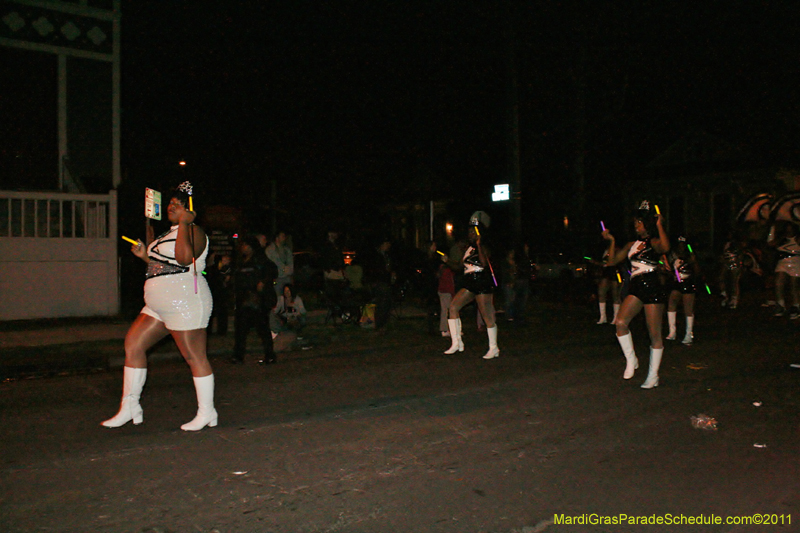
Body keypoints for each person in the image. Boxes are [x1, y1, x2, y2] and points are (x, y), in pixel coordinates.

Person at [102, 182, 217, 431]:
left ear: (191, 210)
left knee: (194, 356)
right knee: (133, 344)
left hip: (185, 299)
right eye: (171, 202)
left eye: (179, 203)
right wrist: (145, 255)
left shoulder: (195, 231)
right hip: (157, 303)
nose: (172, 206)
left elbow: (185, 259)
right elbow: (162, 264)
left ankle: (207, 412)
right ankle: (130, 406)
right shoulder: (167, 233)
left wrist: (186, 223)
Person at [603, 201, 670, 388]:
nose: (636, 225)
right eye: (635, 222)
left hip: (652, 284)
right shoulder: (632, 244)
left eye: (639, 222)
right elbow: (611, 261)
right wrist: (612, 241)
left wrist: (659, 225)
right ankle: (632, 360)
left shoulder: (654, 242)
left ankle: (653, 375)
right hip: (636, 285)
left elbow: (665, 247)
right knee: (621, 322)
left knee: (654, 334)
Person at [443, 211, 499, 359]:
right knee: (453, 307)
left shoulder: (484, 246)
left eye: (472, 232)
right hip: (469, 281)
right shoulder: (468, 249)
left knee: (486, 315)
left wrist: (479, 245)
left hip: (481, 280)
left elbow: (484, 263)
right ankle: (457, 343)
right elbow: (459, 267)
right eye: (468, 232)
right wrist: (447, 260)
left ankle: (493, 347)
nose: (469, 235)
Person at [231, 237, 278, 365]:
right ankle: (238, 356)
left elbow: (273, 271)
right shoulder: (241, 262)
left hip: (257, 300)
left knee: (262, 328)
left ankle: (270, 354)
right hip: (243, 300)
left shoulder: (260, 260)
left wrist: (263, 282)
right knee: (240, 330)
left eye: (245, 245)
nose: (243, 248)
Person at [665, 236, 699, 345]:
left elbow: (697, 270)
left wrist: (693, 262)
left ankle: (689, 334)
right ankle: (672, 332)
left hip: (688, 282)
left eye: (683, 244)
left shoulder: (690, 255)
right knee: (671, 303)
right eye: (679, 243)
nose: (681, 246)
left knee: (688, 308)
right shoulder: (672, 255)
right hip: (677, 282)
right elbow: (669, 270)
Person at [767, 222, 800, 319]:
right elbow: (770, 243)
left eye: (791, 229)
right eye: (787, 229)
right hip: (782, 261)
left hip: (796, 262)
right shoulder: (781, 239)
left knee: (794, 286)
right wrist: (772, 227)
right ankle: (780, 305)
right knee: (778, 282)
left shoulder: (797, 238)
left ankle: (796, 306)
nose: (789, 231)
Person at [362, 236, 395, 333]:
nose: (388, 246)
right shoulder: (375, 256)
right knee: (382, 303)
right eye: (387, 244)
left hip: (385, 281)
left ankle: (384, 324)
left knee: (387, 303)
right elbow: (374, 270)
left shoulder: (386, 256)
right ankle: (379, 325)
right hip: (378, 282)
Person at [591, 239, 622, 325]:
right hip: (606, 272)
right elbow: (604, 263)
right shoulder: (605, 250)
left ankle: (616, 317)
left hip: (616, 272)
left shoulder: (618, 250)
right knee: (601, 292)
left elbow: (614, 261)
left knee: (615, 294)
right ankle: (603, 317)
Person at [206, 252, 232, 336]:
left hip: (221, 292)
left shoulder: (226, 269)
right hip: (214, 291)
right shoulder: (212, 269)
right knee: (212, 312)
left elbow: (226, 278)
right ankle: (209, 331)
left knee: (222, 312)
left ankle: (221, 331)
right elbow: (206, 274)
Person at [718, 230, 744, 309]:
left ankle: (734, 300)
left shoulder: (737, 244)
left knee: (734, 282)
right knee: (721, 278)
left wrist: (739, 263)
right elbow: (723, 254)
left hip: (735, 264)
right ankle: (725, 296)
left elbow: (740, 254)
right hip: (726, 263)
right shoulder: (725, 244)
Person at [266, 230, 294, 297]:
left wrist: (290, 272)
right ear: (277, 238)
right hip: (277, 278)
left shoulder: (286, 250)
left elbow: (290, 262)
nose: (284, 238)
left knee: (288, 296)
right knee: (278, 297)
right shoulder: (270, 250)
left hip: (286, 277)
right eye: (282, 236)